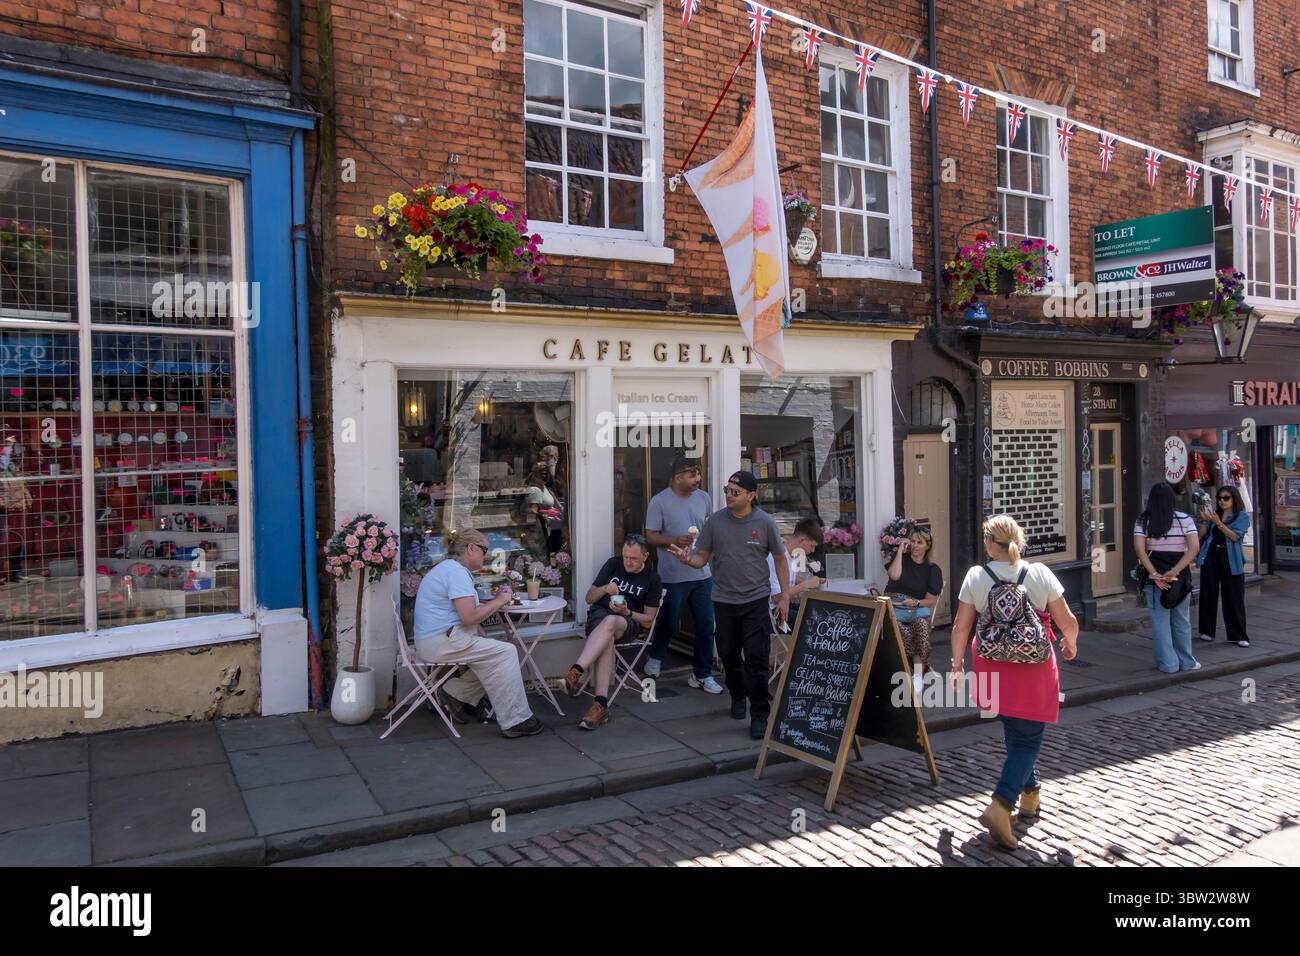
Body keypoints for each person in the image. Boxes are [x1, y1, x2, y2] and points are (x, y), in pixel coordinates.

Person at [949, 515, 1079, 851]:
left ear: (990, 544)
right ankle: (1001, 804)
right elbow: (1068, 621)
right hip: (1032, 670)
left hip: (991, 667)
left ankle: (1030, 797)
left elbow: (961, 627)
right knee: (1027, 740)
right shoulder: (1039, 573)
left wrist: (956, 664)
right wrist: (1071, 642)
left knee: (1016, 730)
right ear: (1017, 542)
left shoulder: (976, 577)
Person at [668, 470, 789, 740]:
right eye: (727, 490)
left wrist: (785, 595)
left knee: (757, 658)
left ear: (751, 495)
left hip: (756, 600)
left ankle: (760, 712)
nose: (729, 495)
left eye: (735, 491)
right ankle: (737, 694)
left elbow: (781, 559)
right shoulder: (715, 522)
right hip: (723, 600)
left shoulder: (765, 522)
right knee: (728, 654)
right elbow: (702, 557)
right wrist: (688, 560)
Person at [412, 529, 544, 738]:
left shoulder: (449, 569)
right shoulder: (455, 572)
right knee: (506, 652)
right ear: (471, 548)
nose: (487, 555)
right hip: (440, 643)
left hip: (435, 640)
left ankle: (454, 693)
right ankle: (516, 720)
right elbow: (469, 617)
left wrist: (491, 601)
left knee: (493, 654)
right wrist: (499, 600)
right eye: (484, 550)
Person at [562, 534, 662, 730]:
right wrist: (606, 589)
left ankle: (575, 672)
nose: (628, 562)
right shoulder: (612, 565)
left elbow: (649, 621)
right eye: (625, 557)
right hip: (598, 620)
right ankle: (600, 706)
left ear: (645, 556)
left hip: (628, 624)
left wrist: (627, 612)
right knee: (605, 634)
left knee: (612, 621)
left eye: (633, 558)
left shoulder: (652, 579)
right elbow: (589, 598)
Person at [643, 455, 721, 693]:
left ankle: (702, 673)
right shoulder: (659, 502)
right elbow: (650, 536)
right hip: (672, 575)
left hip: (702, 573)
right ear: (678, 478)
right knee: (669, 621)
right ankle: (656, 657)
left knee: (707, 624)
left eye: (698, 473)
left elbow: (708, 527)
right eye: (692, 475)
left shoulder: (704, 498)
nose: (698, 478)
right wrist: (673, 541)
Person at [1134, 483, 1200, 674]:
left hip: (1155, 574)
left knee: (1160, 621)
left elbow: (1140, 549)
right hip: (1180, 576)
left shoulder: (1143, 520)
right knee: (1181, 620)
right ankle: (1186, 661)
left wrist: (1154, 574)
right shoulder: (1185, 519)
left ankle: (1169, 664)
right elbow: (1194, 548)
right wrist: (1176, 571)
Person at [1196, 485, 1251, 647]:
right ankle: (1206, 631)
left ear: (1234, 499)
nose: (1222, 501)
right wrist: (1205, 521)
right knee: (1207, 594)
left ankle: (1238, 635)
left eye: (1226, 498)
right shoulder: (1215, 514)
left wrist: (1219, 523)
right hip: (1211, 556)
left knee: (1234, 597)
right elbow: (1203, 534)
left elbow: (1235, 536)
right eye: (1219, 498)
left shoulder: (1241, 516)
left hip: (1230, 559)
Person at [885, 525, 944, 675]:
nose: (915, 545)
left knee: (921, 627)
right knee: (898, 629)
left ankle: (917, 675)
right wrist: (899, 551)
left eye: (919, 542)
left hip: (915, 609)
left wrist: (916, 602)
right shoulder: (901, 559)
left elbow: (931, 601)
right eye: (912, 541)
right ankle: (916, 668)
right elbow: (894, 576)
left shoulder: (932, 569)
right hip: (895, 607)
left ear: (927, 546)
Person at [768, 517, 824, 614]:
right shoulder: (776, 557)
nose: (813, 550)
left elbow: (788, 576)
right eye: (812, 546)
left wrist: (813, 582)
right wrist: (806, 584)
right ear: (802, 540)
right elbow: (776, 597)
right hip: (772, 611)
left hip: (784, 605)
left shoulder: (792, 555)